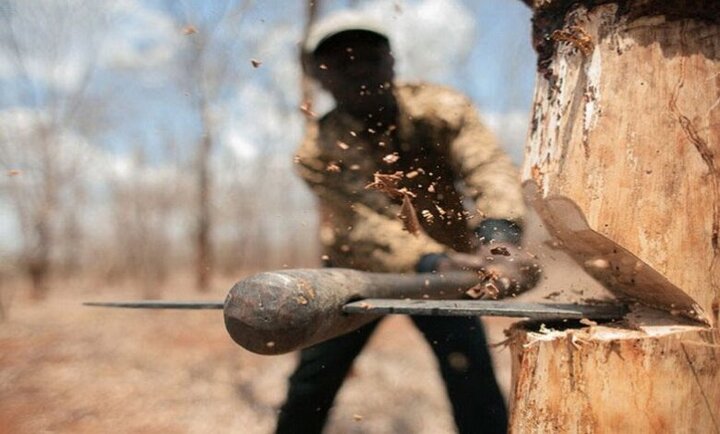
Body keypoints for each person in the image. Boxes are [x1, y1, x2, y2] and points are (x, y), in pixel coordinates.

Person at [277, 12, 539, 434]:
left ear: (391, 62)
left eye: (369, 57)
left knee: (470, 373)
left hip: (450, 269)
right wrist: (432, 262)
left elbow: (487, 166)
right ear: (321, 77)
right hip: (356, 273)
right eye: (342, 63)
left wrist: (499, 237)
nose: (359, 69)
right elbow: (365, 225)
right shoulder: (316, 150)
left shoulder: (440, 109)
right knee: (314, 379)